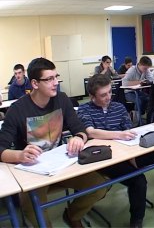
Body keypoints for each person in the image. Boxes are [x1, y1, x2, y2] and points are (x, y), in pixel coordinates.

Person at [0, 58, 107, 228]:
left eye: (56, 77)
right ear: (34, 83)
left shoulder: (62, 99)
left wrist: (78, 138)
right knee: (36, 214)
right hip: (32, 171)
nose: (56, 83)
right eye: (49, 79)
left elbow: (80, 129)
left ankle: (72, 215)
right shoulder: (17, 110)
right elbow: (1, 149)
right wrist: (19, 155)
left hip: (60, 164)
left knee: (99, 186)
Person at [77, 74, 154, 228]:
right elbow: (90, 132)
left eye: (110, 92)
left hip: (128, 153)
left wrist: (131, 147)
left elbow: (128, 131)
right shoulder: (85, 109)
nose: (108, 97)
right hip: (107, 159)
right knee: (138, 181)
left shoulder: (118, 107)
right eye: (103, 95)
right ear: (92, 96)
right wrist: (119, 135)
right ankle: (136, 221)